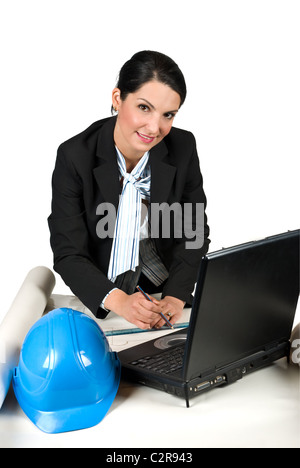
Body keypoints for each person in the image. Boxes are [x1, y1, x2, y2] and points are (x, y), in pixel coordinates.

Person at [48, 50, 210, 330]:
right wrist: (120, 301)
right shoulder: (75, 156)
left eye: (168, 115)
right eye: (144, 108)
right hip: (105, 297)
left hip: (166, 293)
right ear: (117, 98)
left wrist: (174, 297)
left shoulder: (183, 148)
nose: (155, 127)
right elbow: (68, 252)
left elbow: (193, 233)